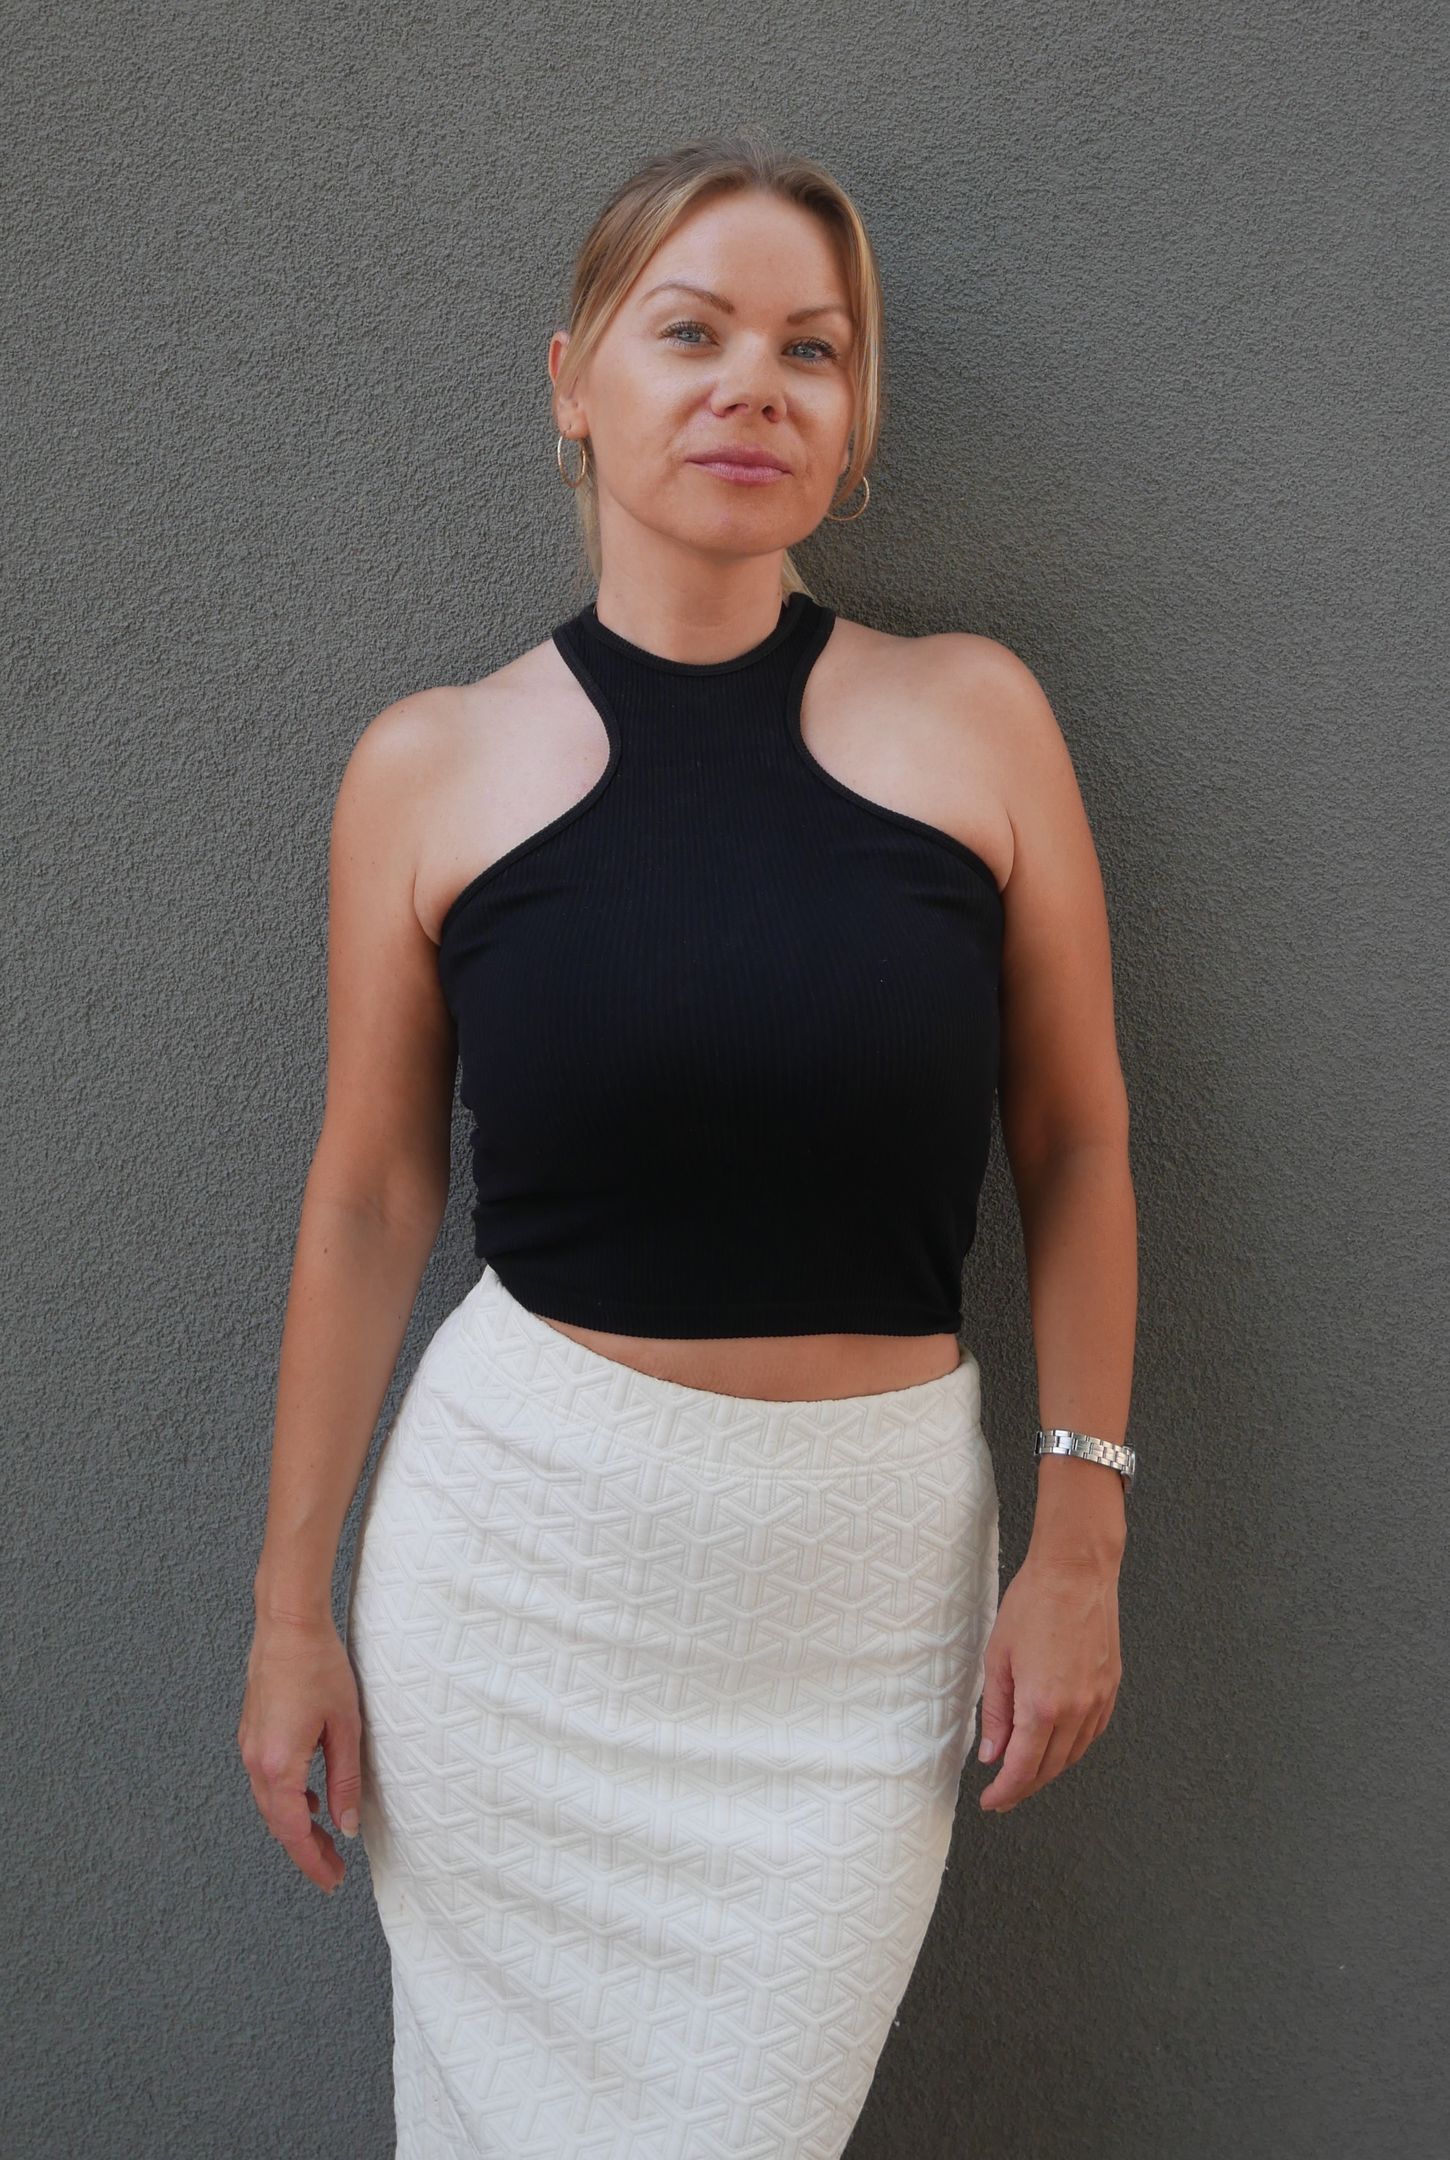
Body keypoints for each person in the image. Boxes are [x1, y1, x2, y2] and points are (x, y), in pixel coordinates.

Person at [238, 134, 1137, 2160]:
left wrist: (1078, 1536)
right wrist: (292, 1610)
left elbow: (1076, 1139)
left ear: (856, 415)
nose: (755, 385)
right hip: (517, 1588)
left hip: (857, 1611)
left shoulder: (974, 719)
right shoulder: (428, 766)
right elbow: (369, 1197)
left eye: (811, 349)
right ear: (574, 382)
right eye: (692, 332)